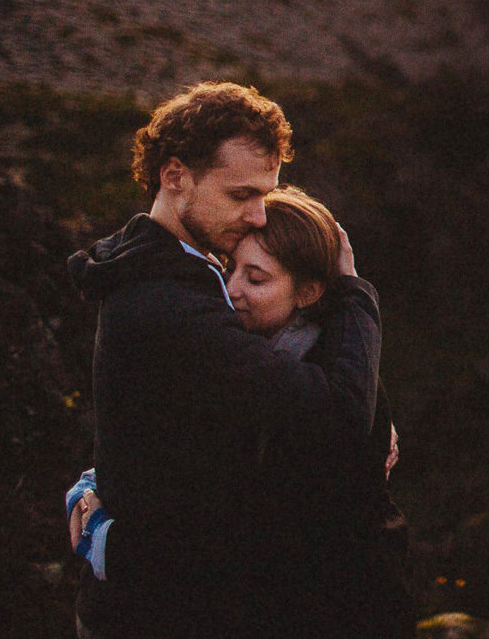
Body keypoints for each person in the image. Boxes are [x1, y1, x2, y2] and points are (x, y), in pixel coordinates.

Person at [64, 81, 383, 639]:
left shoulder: (182, 270)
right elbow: (335, 417)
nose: (259, 216)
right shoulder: (166, 303)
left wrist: (99, 481)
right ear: (174, 176)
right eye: (241, 195)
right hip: (159, 615)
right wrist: (353, 290)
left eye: (266, 194)